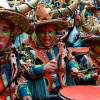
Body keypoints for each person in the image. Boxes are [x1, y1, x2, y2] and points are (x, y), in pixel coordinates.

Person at [0, 0, 39, 100]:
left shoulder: (13, 53)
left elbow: (18, 78)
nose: (0, 35)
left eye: (5, 29)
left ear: (10, 32)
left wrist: (25, 93)